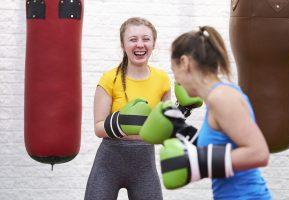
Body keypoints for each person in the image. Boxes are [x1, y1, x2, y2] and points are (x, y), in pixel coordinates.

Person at [142, 26, 272, 199]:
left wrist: (199, 162)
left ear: (185, 63)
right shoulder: (216, 98)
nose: (177, 80)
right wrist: (182, 132)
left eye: (175, 72)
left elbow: (259, 153)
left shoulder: (222, 97)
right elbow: (222, 149)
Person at [84, 17, 171, 200]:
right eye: (133, 39)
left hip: (144, 165)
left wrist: (182, 111)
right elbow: (98, 127)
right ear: (123, 45)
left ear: (153, 43)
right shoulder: (109, 79)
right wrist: (122, 122)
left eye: (146, 39)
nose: (140, 44)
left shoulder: (162, 80)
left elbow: (165, 128)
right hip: (109, 163)